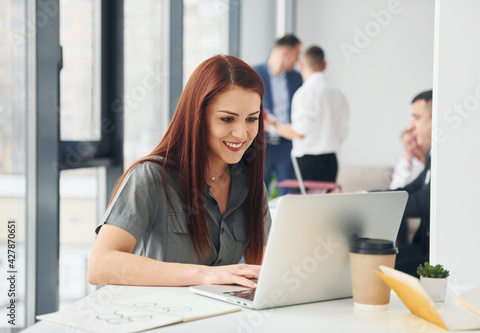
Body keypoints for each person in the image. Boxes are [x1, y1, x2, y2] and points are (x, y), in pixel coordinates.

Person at [87, 55, 271, 289]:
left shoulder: (249, 186)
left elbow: (265, 273)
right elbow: (100, 266)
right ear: (198, 116)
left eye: (251, 119)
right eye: (227, 119)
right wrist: (205, 275)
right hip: (153, 319)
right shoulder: (151, 177)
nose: (242, 134)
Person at [265, 46, 348, 182]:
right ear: (325, 65)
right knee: (328, 203)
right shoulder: (338, 94)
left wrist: (273, 125)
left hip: (309, 163)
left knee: (307, 203)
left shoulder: (304, 93)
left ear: (301, 64)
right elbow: (343, 132)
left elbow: (299, 132)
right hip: (332, 161)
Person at [253, 34, 303, 195]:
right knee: (258, 193)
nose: (297, 60)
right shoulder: (254, 73)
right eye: (296, 55)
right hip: (262, 143)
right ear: (285, 52)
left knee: (288, 194)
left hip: (286, 143)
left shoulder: (296, 78)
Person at [392, 90, 433, 277]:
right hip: (423, 246)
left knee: (382, 267)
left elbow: (424, 200)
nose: (411, 126)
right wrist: (365, 195)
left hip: (437, 254)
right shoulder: (433, 154)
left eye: (416, 118)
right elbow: (410, 189)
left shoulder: (443, 155)